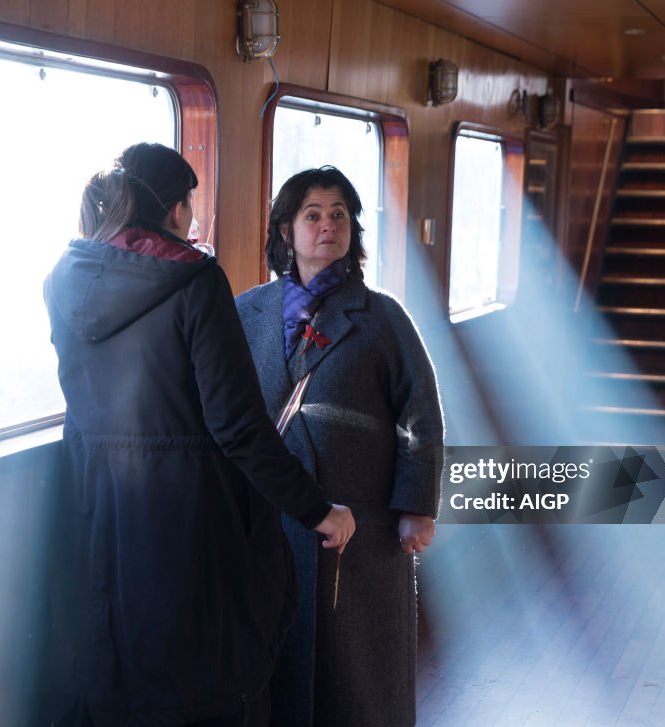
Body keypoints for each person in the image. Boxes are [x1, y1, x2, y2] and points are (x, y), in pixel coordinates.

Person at [43, 143, 355, 726]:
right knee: (208, 682)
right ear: (177, 209)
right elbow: (236, 425)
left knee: (123, 679)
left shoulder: (65, 277)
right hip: (188, 518)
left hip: (96, 511)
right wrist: (317, 510)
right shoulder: (196, 281)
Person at [235, 166, 444, 726]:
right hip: (267, 519)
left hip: (364, 529)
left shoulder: (382, 317)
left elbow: (420, 415)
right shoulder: (246, 312)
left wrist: (417, 507)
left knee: (358, 669)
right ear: (285, 230)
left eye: (339, 215)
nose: (327, 226)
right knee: (271, 660)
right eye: (312, 215)